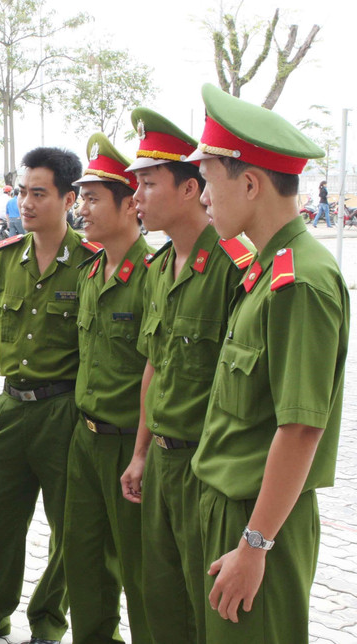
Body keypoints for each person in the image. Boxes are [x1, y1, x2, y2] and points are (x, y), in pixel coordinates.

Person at [187, 83, 348, 643]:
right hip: (227, 510)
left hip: (257, 523)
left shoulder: (300, 281)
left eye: (208, 182)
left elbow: (301, 428)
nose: (203, 198)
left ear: (250, 183)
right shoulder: (265, 269)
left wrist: (254, 546)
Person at [0, 147, 100, 644]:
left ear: (68, 198)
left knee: (67, 526)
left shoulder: (92, 265)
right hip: (13, 407)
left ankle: (48, 622)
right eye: (21, 192)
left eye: (39, 193)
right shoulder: (8, 259)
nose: (25, 203)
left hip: (65, 411)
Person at [119, 106, 252, 644]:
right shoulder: (158, 267)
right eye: (135, 185)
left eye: (148, 184)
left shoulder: (232, 265)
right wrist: (142, 451)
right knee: (163, 600)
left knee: (208, 610)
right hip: (165, 465)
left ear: (191, 188)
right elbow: (155, 365)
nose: (137, 198)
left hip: (207, 468)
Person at [62, 133, 153, 644]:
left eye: (94, 197)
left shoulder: (153, 275)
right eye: (81, 196)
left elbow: (154, 370)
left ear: (129, 204)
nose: (82, 208)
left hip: (128, 442)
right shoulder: (93, 270)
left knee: (139, 568)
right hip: (86, 437)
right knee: (84, 559)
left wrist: (140, 452)